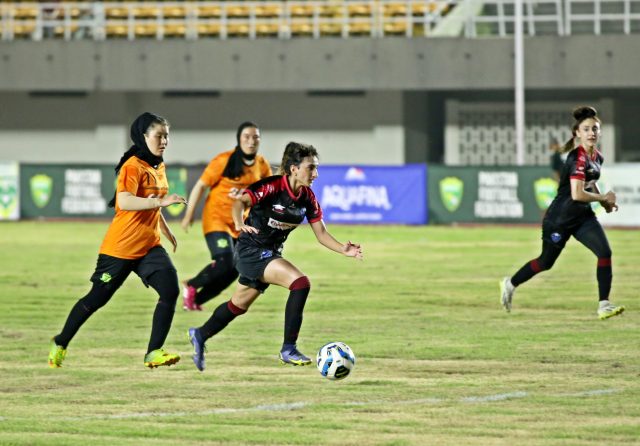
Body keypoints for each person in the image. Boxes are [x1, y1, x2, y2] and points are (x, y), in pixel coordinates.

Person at [186, 142, 363, 371]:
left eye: (316, 168)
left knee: (238, 305)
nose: (315, 174)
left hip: (269, 254)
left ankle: (200, 334)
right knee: (300, 283)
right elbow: (241, 202)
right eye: (311, 168)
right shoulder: (271, 186)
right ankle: (288, 348)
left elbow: (321, 233)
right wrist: (239, 222)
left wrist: (343, 249)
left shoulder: (307, 197)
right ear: (293, 169)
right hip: (251, 251)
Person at [48, 112, 187, 369]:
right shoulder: (132, 166)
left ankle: (154, 352)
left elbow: (152, 206)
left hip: (148, 246)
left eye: (167, 135)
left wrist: (165, 229)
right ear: (144, 137)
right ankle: (61, 341)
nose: (164, 140)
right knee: (96, 300)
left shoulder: (159, 165)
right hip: (120, 248)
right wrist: (161, 202)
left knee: (170, 290)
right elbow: (124, 201)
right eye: (159, 135)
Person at [500, 106, 624, 320]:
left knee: (604, 253)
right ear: (577, 133)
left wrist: (603, 202)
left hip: (583, 217)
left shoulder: (597, 157)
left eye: (595, 128)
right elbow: (576, 194)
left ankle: (604, 304)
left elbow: (589, 184)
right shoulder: (578, 158)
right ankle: (510, 283)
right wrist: (603, 198)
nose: (592, 132)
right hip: (560, 219)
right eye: (586, 129)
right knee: (545, 262)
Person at [180, 122, 272, 311]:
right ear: (239, 139)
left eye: (256, 137)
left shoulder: (262, 165)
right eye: (246, 136)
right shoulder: (223, 160)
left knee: (235, 269)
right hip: (217, 219)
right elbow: (200, 186)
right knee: (225, 261)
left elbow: (268, 194)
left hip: (240, 224)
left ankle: (196, 300)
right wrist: (189, 214)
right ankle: (191, 285)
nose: (251, 141)